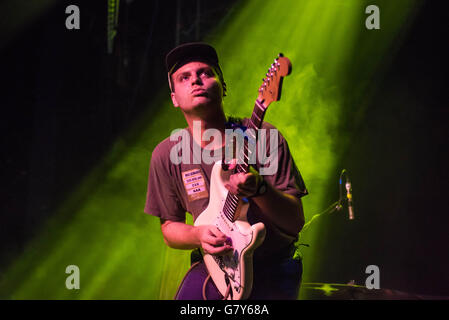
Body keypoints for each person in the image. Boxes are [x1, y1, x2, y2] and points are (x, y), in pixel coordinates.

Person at [144, 42, 308, 300]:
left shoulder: (265, 137)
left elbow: (294, 222)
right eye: (184, 78)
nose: (196, 80)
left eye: (206, 73)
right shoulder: (166, 154)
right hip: (215, 267)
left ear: (223, 85)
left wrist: (260, 190)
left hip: (273, 267)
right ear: (174, 98)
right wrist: (197, 234)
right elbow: (169, 228)